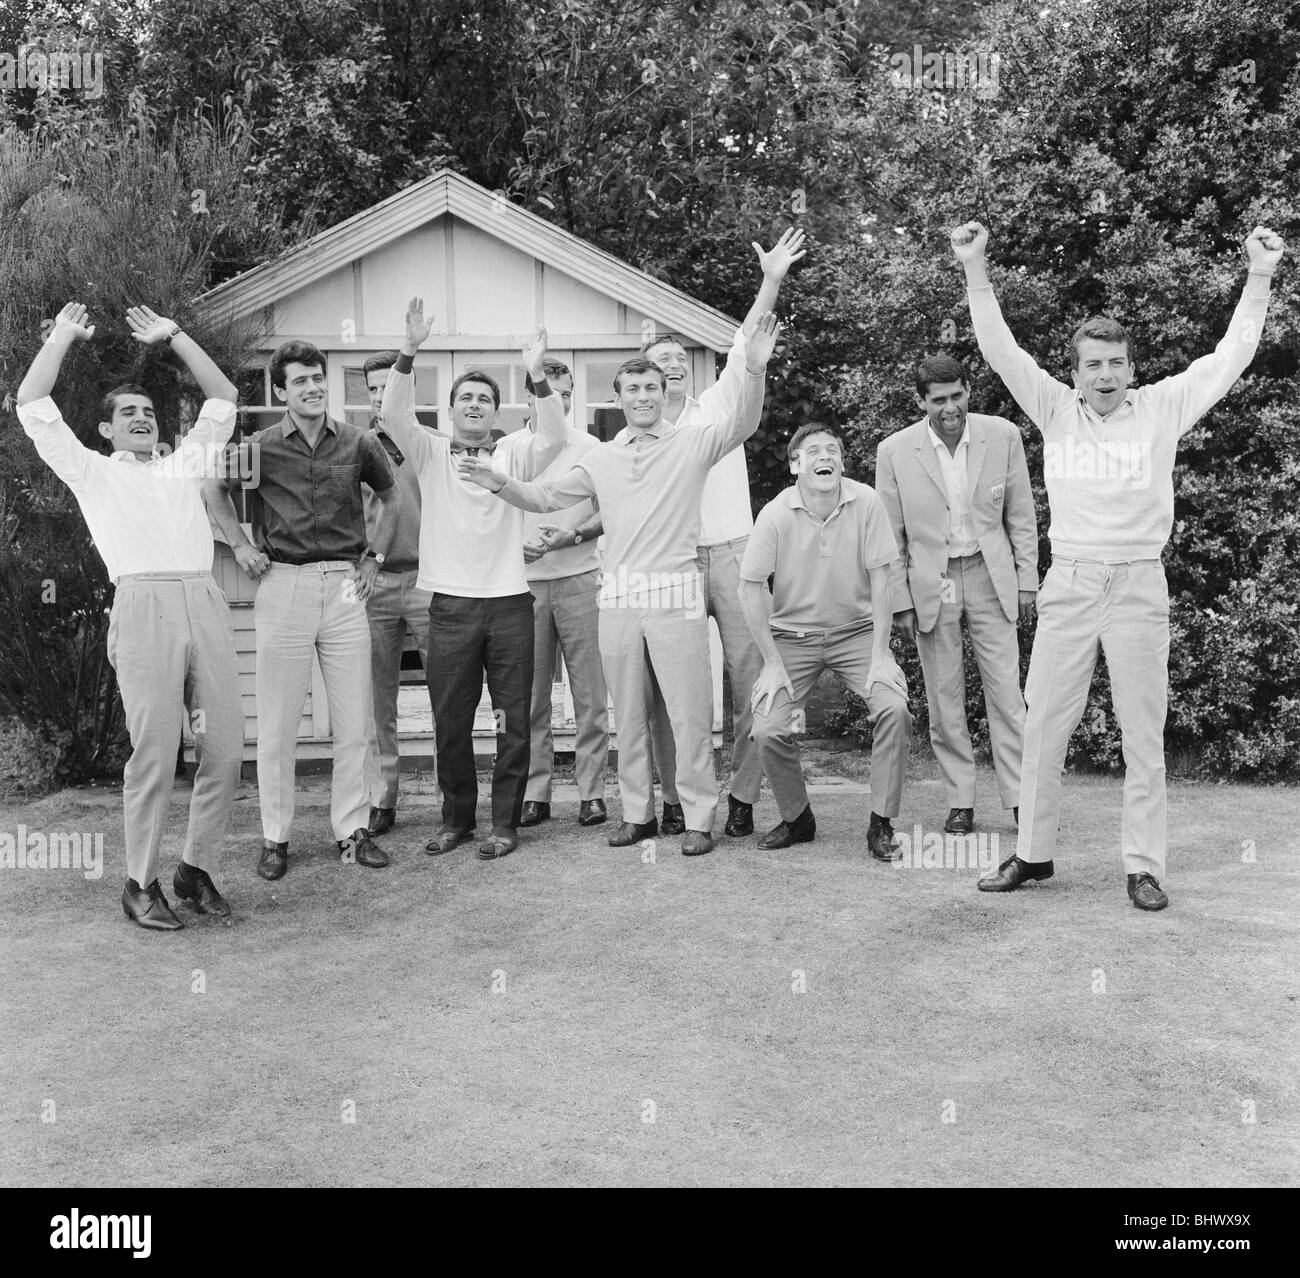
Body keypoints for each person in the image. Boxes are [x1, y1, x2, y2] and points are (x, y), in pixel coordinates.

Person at [951, 219, 1285, 910]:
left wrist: (1258, 277)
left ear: (1132, 368)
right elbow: (1000, 349)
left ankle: (1143, 866)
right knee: (1041, 722)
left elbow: (1230, 358)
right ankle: (1032, 854)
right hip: (1071, 581)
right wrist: (975, 268)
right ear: (1074, 373)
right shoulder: (1053, 408)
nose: (1105, 375)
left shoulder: (1162, 409)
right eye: (1092, 365)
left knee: (1142, 730)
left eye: (1115, 364)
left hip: (1138, 583)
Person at [458, 314, 782, 856]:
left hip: (677, 590)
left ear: (663, 392)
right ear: (620, 397)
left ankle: (700, 817)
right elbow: (544, 498)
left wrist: (753, 366)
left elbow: (744, 421)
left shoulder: (693, 444)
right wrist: (499, 482)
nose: (644, 396)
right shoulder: (601, 458)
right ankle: (639, 815)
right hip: (618, 597)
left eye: (652, 387)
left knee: (688, 713)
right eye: (633, 388)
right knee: (628, 715)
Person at [17, 303, 244, 930]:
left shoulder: (186, 462)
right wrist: (62, 336)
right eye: (129, 415)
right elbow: (33, 402)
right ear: (107, 430)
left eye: (148, 412)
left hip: (203, 600)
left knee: (224, 747)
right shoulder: (91, 473)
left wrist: (175, 337)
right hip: (144, 607)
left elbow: (224, 397)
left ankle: (194, 871)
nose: (141, 419)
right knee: (155, 750)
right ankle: (140, 884)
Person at [203, 341, 398, 880]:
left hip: (344, 586)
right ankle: (275, 837)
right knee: (278, 723)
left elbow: (392, 497)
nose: (312, 387)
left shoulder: (358, 442)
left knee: (354, 720)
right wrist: (241, 548)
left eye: (318, 378)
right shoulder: (260, 446)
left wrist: (374, 557)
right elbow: (212, 490)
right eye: (301, 381)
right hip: (282, 585)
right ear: (281, 391)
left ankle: (352, 832)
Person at [381, 302, 567, 860]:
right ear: (452, 409)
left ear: (495, 411)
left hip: (511, 605)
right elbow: (393, 415)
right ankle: (456, 820)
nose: (475, 405)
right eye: (466, 398)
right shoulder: (431, 450)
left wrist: (536, 373)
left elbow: (555, 436)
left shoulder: (513, 453)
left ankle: (504, 825)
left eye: (485, 399)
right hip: (452, 607)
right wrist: (409, 351)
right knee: (451, 721)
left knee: (512, 721)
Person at [642, 228, 806, 838]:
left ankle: (742, 795)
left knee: (752, 678)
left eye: (680, 365)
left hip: (736, 555)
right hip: (676, 564)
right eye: (660, 367)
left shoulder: (718, 409)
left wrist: (771, 280)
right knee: (671, 691)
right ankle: (675, 799)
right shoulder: (636, 436)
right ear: (644, 382)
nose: (673, 373)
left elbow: (745, 348)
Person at [876, 353, 1038, 835]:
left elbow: (1021, 515)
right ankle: (960, 801)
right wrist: (900, 600)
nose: (950, 408)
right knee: (944, 695)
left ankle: (1018, 799)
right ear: (921, 400)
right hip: (934, 581)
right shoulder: (895, 451)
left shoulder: (1003, 435)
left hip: (990, 575)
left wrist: (1027, 579)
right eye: (938, 399)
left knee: (1007, 694)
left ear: (969, 389)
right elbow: (891, 536)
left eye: (957, 395)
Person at [740, 424, 913, 857]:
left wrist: (881, 652)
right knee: (768, 728)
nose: (825, 456)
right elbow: (749, 587)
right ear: (796, 464)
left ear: (841, 461)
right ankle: (798, 818)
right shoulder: (776, 513)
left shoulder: (866, 501)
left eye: (832, 449)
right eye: (813, 450)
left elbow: (883, 578)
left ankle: (881, 824)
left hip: (856, 634)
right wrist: (771, 662)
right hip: (791, 640)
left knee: (894, 708)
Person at [517, 359, 609, 830]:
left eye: (567, 392)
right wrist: (519, 549)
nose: (560, 401)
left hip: (580, 580)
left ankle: (591, 793)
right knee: (531, 698)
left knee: (589, 694)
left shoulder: (592, 448)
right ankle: (537, 793)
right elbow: (493, 516)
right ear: (528, 397)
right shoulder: (509, 449)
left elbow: (608, 514)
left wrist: (572, 538)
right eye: (548, 392)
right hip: (524, 586)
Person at [358, 350, 432, 837]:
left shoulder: (428, 443)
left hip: (430, 579)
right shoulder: (356, 444)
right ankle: (381, 800)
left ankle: (455, 800)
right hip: (374, 586)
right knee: (374, 700)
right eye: (372, 389)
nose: (380, 396)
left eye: (389, 386)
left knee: (449, 692)